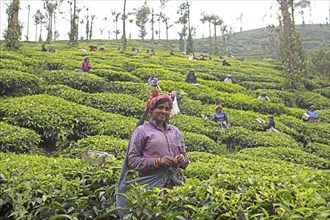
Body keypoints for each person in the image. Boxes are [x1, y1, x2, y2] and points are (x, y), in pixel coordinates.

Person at [116, 90, 189, 218]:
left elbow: (184, 156)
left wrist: (182, 159)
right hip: (151, 187)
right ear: (151, 110)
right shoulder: (142, 131)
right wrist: (158, 161)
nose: (164, 112)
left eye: (167, 109)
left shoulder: (175, 131)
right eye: (160, 108)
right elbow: (132, 161)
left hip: (175, 185)